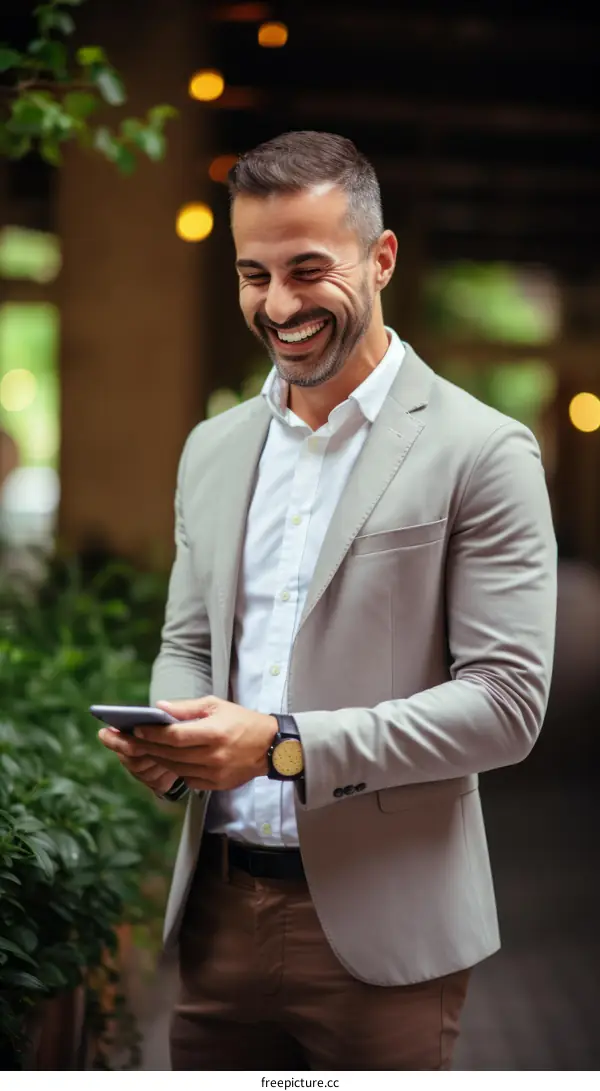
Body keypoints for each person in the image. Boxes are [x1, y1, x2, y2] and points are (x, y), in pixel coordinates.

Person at [98, 131, 557, 1071]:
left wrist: (278, 743)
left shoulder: (484, 451)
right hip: (217, 919)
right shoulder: (212, 449)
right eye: (253, 273)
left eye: (309, 270)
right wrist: (175, 736)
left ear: (380, 257)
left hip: (386, 933)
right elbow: (189, 639)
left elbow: (508, 706)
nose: (279, 305)